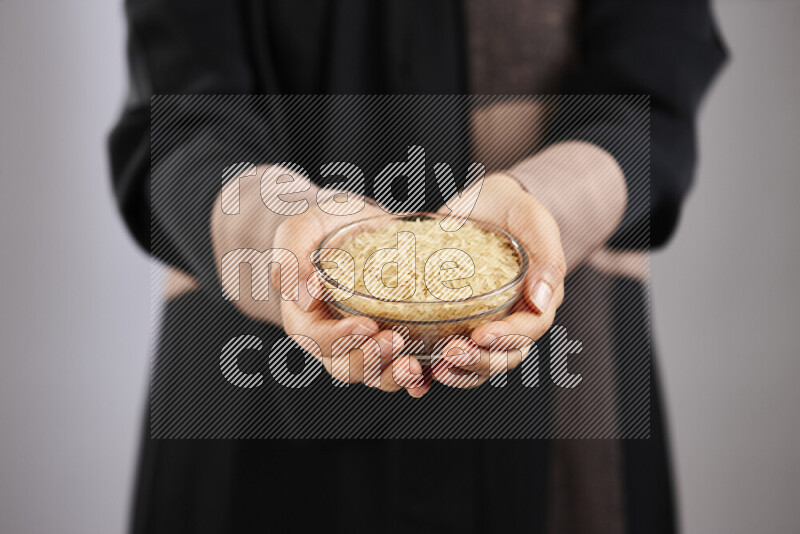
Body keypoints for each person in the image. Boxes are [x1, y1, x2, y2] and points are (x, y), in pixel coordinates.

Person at [109, 1, 726, 532]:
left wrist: (544, 207)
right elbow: (179, 119)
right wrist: (280, 231)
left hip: (561, 396)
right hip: (253, 403)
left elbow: (651, 94)